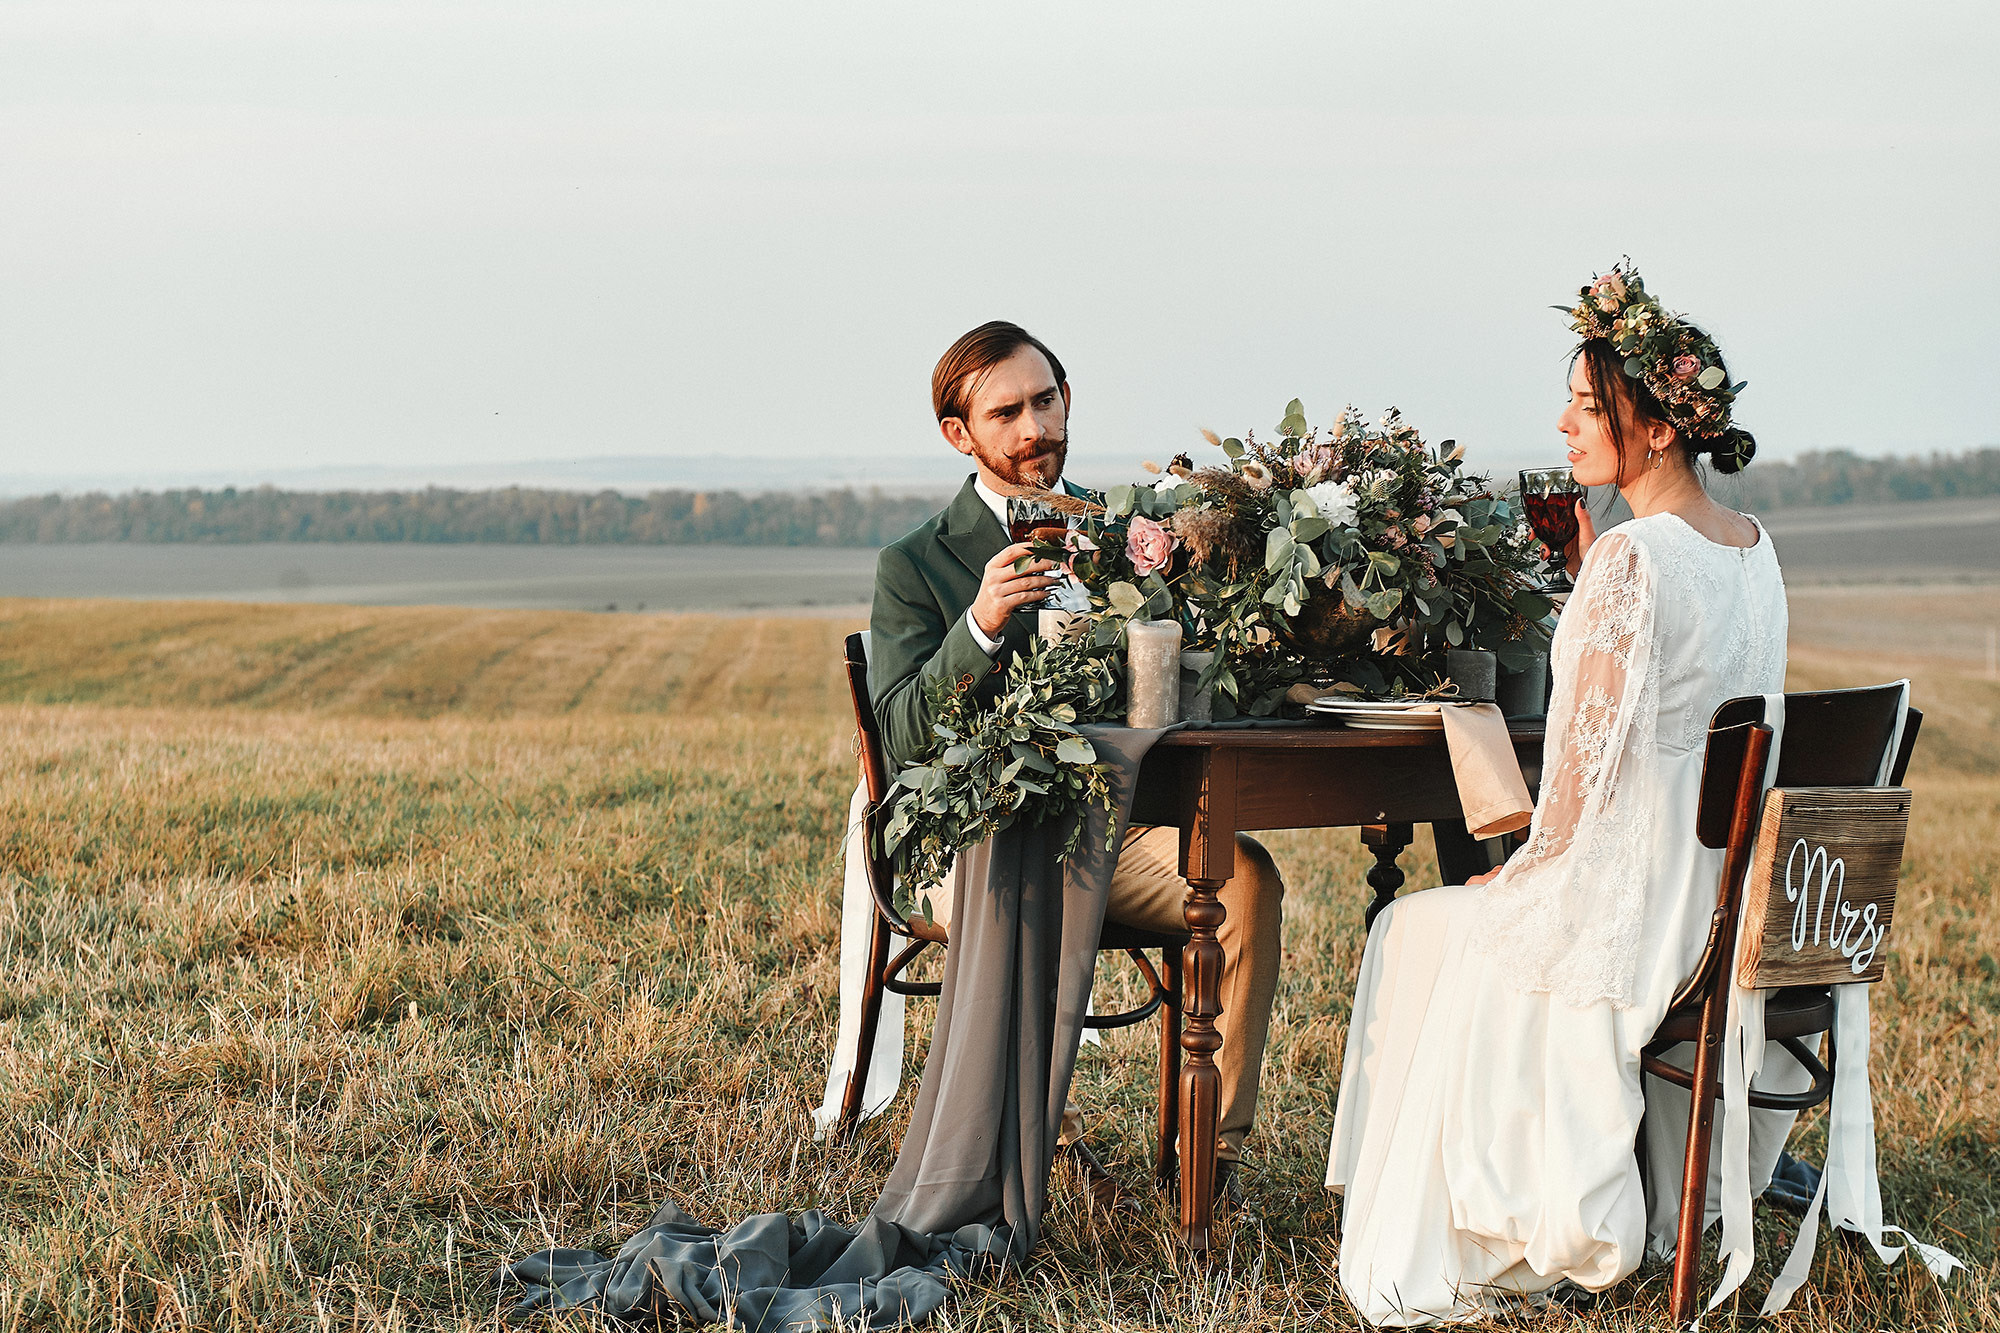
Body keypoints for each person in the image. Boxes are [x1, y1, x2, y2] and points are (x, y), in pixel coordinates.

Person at [1326, 264, 1799, 1324]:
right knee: (1442, 918)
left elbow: (1577, 794)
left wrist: (1520, 871)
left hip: (1639, 913)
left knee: (1411, 925)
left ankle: (1418, 1201)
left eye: (1588, 406)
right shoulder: (1753, 549)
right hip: (1721, 898)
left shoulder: (1631, 558)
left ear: (1658, 428)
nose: (1564, 423)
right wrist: (1597, 578)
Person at [870, 320, 1286, 1212]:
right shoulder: (915, 563)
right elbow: (900, 737)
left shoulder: (1134, 530)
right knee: (1013, 891)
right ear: (959, 433)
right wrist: (979, 625)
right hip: (980, 839)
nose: (1034, 429)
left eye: (1045, 401)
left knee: (1246, 877)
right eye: (1006, 413)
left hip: (1117, 825)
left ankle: (1209, 1166)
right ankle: (1047, 1149)